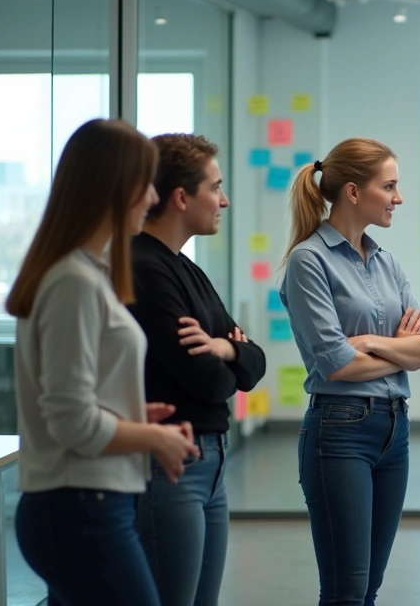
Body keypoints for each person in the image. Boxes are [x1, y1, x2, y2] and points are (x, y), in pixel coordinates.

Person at [8, 118, 198, 606]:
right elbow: (70, 420)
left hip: (87, 503)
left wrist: (131, 418)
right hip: (79, 506)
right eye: (144, 185)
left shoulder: (84, 276)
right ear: (114, 188)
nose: (152, 198)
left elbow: (81, 403)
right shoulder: (72, 282)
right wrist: (152, 437)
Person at [279, 138, 420, 606]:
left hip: (395, 428)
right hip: (340, 430)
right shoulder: (309, 260)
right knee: (347, 591)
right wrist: (398, 347)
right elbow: (334, 362)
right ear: (352, 191)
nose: (398, 197)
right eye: (389, 186)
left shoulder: (386, 262)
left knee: (369, 588)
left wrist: (369, 342)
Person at [128, 133, 267, 606]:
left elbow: (254, 362)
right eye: (216, 187)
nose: (224, 200)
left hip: (211, 464)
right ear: (182, 197)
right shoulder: (144, 267)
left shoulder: (187, 270)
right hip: (172, 464)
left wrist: (227, 352)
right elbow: (205, 380)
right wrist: (230, 356)